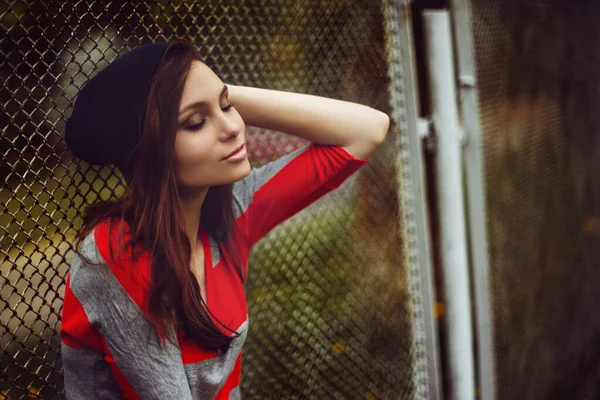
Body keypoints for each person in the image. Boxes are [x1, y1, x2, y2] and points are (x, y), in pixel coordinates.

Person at [60, 38, 389, 399]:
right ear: (150, 151)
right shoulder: (117, 254)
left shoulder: (229, 212)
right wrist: (201, 95)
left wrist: (208, 91)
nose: (233, 127)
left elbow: (367, 129)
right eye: (196, 122)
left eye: (227, 105)